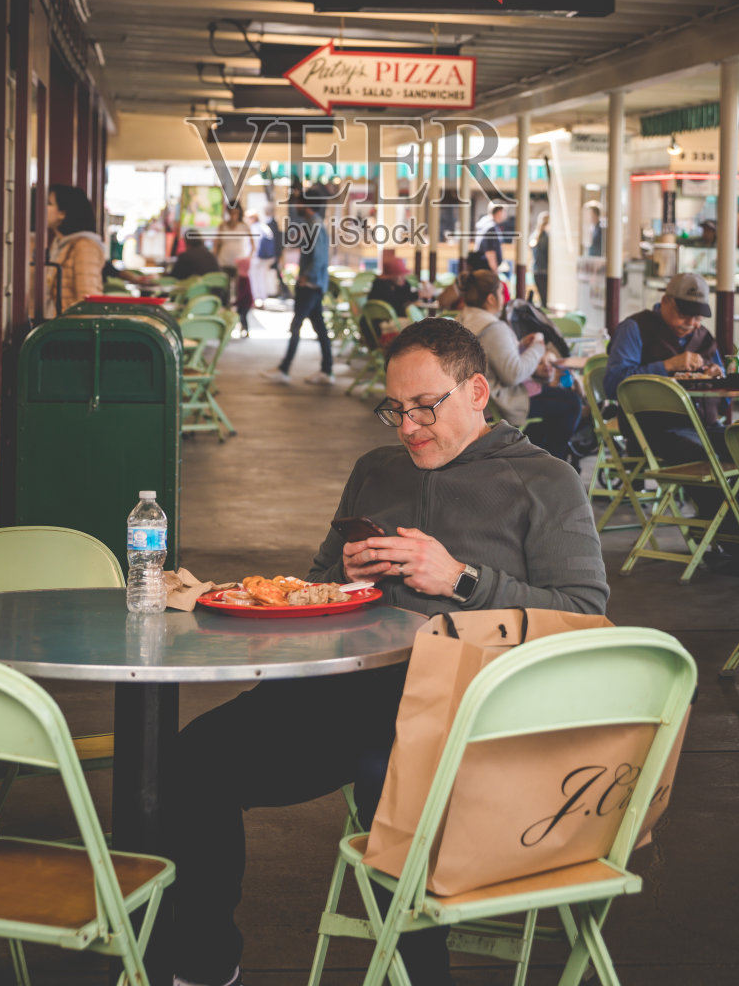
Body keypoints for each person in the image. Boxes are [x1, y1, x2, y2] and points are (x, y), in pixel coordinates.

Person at [169, 317, 607, 986]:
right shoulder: (375, 471)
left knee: (392, 781)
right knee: (195, 758)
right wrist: (341, 577)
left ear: (477, 392)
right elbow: (314, 583)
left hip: (468, 708)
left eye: (425, 406)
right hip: (349, 690)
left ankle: (420, 974)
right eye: (395, 409)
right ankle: (203, 964)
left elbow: (582, 614)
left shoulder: (545, 481)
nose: (407, 427)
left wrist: (461, 579)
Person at [604, 271, 728, 489]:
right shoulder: (635, 329)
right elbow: (614, 384)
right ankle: (720, 511)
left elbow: (723, 390)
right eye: (685, 315)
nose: (691, 323)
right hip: (654, 430)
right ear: (665, 302)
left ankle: (730, 512)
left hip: (706, 425)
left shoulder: (704, 337)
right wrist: (668, 366)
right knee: (705, 459)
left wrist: (717, 375)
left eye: (698, 318)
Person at [455, 269, 582, 461]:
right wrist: (538, 347)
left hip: (474, 400)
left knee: (555, 404)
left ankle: (536, 458)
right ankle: (551, 465)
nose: (504, 297)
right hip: (498, 403)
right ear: (491, 298)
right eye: (501, 292)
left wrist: (521, 346)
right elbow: (513, 374)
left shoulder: (463, 319)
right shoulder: (493, 328)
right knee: (571, 403)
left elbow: (496, 358)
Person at [262, 190, 335, 386]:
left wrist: (305, 277)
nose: (295, 206)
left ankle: (285, 369)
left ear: (306, 204)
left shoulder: (314, 225)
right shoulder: (314, 223)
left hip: (310, 285)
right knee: (319, 327)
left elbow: (319, 257)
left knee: (296, 325)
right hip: (314, 284)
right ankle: (326, 370)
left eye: (298, 202)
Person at [45, 185, 106, 316]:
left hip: (68, 325)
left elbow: (88, 300)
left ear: (62, 213)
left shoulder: (85, 246)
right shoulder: (60, 243)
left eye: (49, 204)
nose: (43, 208)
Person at [366, 249, 417, 318]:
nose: (402, 277)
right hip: (381, 320)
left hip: (395, 318)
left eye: (402, 274)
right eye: (398, 275)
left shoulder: (402, 284)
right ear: (390, 276)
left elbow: (407, 296)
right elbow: (398, 304)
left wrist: (419, 294)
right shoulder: (380, 285)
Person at [474, 202, 507, 271]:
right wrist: (495, 272)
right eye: (504, 211)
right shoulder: (491, 228)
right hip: (487, 269)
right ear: (499, 212)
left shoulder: (485, 223)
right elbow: (490, 253)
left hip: (481, 268)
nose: (505, 214)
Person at [531, 210, 550, 306]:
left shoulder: (534, 236)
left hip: (536, 271)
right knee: (546, 300)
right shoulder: (546, 238)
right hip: (545, 271)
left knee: (542, 299)